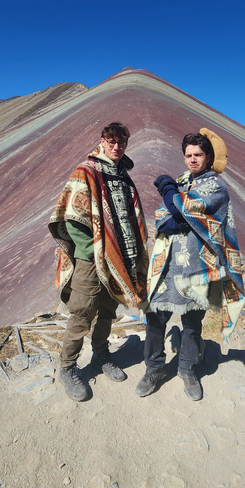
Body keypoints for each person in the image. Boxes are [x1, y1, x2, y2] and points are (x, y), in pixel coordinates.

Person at [137, 128, 245, 401]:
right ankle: (154, 368)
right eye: (188, 155)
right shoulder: (184, 181)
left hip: (198, 267)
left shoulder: (215, 187)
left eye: (198, 154)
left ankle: (187, 369)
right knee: (155, 318)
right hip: (168, 265)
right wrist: (176, 209)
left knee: (192, 323)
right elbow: (166, 214)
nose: (193, 160)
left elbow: (179, 208)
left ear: (208, 157)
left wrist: (168, 192)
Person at [49, 122, 149, 401]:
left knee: (108, 310)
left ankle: (101, 355)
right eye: (111, 141)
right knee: (82, 312)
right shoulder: (87, 171)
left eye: (122, 142)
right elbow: (71, 215)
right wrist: (89, 252)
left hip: (118, 259)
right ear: (102, 141)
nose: (116, 147)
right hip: (91, 260)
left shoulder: (123, 176)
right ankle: (68, 367)